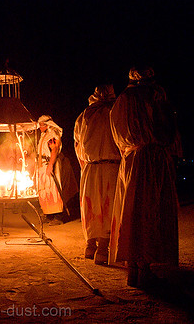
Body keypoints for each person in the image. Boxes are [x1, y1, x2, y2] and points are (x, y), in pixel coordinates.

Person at [109, 66, 180, 288]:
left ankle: (133, 268)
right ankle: (144, 268)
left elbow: (117, 133)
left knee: (131, 211)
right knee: (149, 211)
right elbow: (167, 131)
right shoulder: (154, 96)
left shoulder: (122, 100)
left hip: (131, 159)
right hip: (152, 159)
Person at [74, 85, 120, 265]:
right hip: (111, 167)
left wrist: (84, 164)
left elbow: (77, 144)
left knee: (91, 207)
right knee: (108, 207)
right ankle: (102, 249)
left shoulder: (84, 116)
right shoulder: (114, 113)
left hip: (91, 168)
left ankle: (91, 245)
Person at [37, 115, 64, 226]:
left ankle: (58, 216)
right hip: (43, 165)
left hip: (50, 163)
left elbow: (54, 150)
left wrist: (51, 165)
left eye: (41, 125)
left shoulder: (53, 134)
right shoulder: (44, 135)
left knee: (54, 189)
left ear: (47, 124)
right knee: (45, 190)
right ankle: (48, 214)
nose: (39, 127)